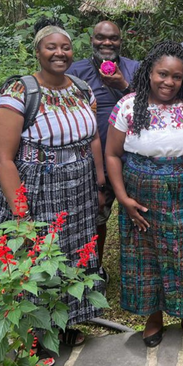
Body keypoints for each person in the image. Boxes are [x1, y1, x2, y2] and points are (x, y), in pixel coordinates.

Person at [0, 17, 107, 346]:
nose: (60, 52)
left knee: (72, 255)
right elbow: (3, 157)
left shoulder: (81, 88)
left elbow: (93, 137)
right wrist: (21, 214)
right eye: (51, 47)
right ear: (38, 52)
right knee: (36, 255)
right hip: (37, 186)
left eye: (66, 47)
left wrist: (99, 181)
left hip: (79, 187)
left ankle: (65, 322)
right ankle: (32, 334)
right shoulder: (20, 91)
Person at [105, 40, 183, 348]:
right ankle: (153, 317)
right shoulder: (128, 106)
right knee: (147, 255)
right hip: (141, 193)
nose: (169, 82)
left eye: (177, 76)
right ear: (149, 72)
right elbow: (113, 154)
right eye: (162, 74)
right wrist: (122, 198)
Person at [70, 20, 139, 272]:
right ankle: (94, 270)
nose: (107, 43)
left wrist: (122, 84)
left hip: (132, 159)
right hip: (93, 159)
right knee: (95, 217)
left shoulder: (134, 68)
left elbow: (149, 106)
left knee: (138, 214)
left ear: (121, 41)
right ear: (92, 40)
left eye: (113, 38)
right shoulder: (76, 71)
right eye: (101, 37)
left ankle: (138, 269)